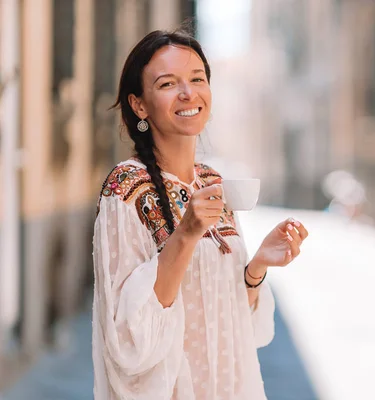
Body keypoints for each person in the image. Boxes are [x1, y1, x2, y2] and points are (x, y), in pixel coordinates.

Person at [92, 29, 308, 399]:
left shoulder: (212, 183)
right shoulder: (126, 189)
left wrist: (256, 267)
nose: (188, 93)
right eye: (167, 83)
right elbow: (129, 339)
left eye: (197, 79)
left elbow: (232, 321)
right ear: (139, 105)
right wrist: (186, 234)